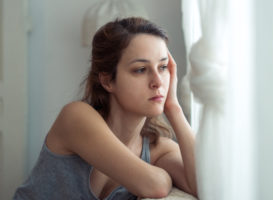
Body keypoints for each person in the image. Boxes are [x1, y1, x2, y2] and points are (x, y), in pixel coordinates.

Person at [13, 17, 197, 200]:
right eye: (140, 69)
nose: (158, 81)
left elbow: (203, 186)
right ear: (107, 80)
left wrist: (174, 108)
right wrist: (164, 178)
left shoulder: (159, 149)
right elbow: (155, 185)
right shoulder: (76, 117)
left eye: (163, 67)